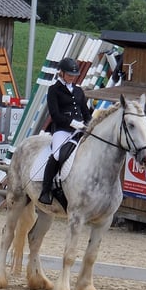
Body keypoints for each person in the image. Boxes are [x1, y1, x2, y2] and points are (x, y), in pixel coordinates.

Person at [38, 57, 92, 205]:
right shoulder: (54, 90)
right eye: (69, 75)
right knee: (56, 155)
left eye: (74, 75)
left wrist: (90, 124)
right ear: (61, 73)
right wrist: (71, 123)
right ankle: (46, 190)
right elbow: (54, 114)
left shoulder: (79, 90)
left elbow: (86, 112)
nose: (72, 78)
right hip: (62, 130)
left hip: (80, 130)